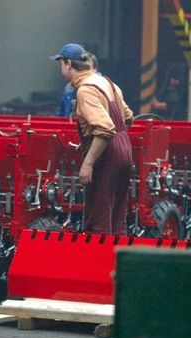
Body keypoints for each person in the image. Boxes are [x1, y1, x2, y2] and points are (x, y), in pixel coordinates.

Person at [51, 43, 133, 234]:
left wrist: (88, 163)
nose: (61, 69)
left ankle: (99, 263)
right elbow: (127, 117)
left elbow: (105, 129)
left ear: (68, 64)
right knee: (116, 219)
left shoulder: (86, 90)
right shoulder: (108, 83)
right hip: (124, 152)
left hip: (108, 156)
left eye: (61, 64)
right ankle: (117, 262)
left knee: (98, 222)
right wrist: (89, 141)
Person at [58, 51, 98, 117]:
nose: (84, 70)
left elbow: (100, 123)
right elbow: (61, 114)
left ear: (95, 69)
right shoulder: (69, 87)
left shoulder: (95, 87)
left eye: (88, 68)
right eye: (83, 67)